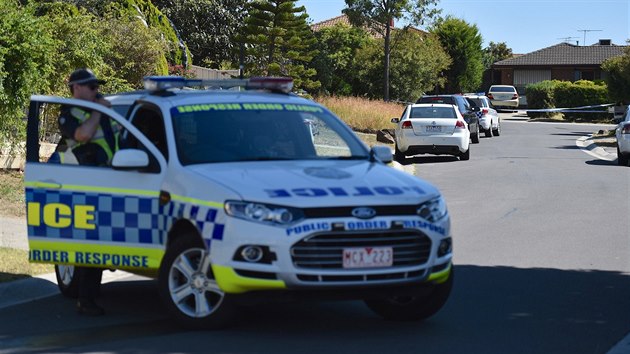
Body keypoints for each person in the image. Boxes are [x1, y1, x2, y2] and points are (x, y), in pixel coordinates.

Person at [56, 68, 119, 316]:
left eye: (97, 87)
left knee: (100, 242)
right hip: (86, 185)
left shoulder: (102, 110)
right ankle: (86, 298)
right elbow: (83, 135)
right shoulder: (68, 113)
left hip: (112, 180)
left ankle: (89, 292)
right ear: (77, 88)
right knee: (93, 243)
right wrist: (97, 110)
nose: (97, 91)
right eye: (92, 87)